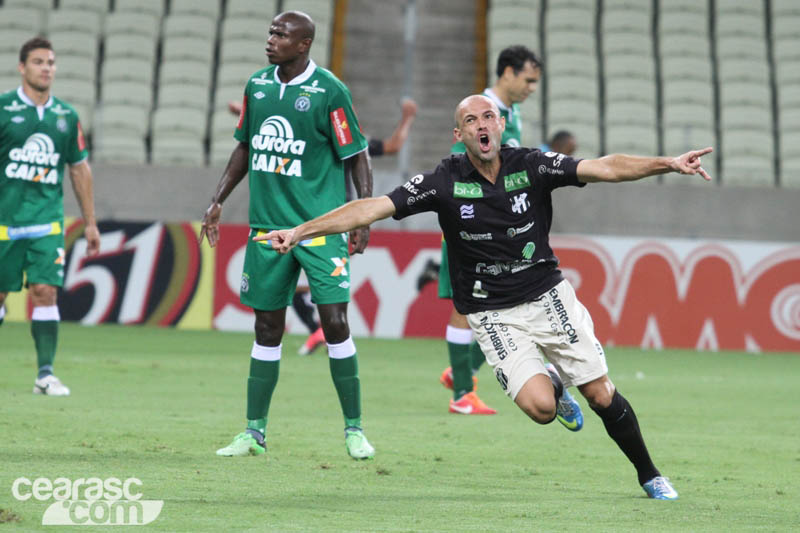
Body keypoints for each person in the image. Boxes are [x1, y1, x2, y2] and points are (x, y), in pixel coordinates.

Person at [260, 94, 714, 499]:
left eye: (489, 117)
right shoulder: (442, 182)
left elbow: (605, 166)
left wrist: (668, 163)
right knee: (540, 409)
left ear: (500, 126)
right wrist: (301, 231)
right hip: (489, 311)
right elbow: (372, 207)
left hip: (546, 296)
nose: (482, 124)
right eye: (471, 120)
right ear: (459, 134)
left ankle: (649, 474)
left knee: (600, 393)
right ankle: (555, 386)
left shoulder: (532, 164)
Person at [199, 11, 375, 460]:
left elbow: (357, 154)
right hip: (266, 229)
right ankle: (253, 433)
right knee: (266, 327)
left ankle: (354, 429)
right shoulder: (257, 85)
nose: (271, 39)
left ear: (304, 44)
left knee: (334, 323)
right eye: (271, 31)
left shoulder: (329, 91)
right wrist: (218, 199)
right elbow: (245, 146)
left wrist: (362, 216)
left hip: (318, 229)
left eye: (281, 34)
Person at [228, 96, 417, 356]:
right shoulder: (319, 137)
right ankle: (321, 331)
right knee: (301, 286)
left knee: (311, 286)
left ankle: (323, 332)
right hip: (308, 217)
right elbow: (286, 132)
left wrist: (407, 119)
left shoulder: (354, 143)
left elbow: (394, 146)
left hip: (338, 219)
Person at [439, 45, 543, 416]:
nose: (531, 88)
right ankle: (462, 392)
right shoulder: (480, 111)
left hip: (500, 230)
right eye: (528, 80)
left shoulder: (509, 115)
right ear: (508, 73)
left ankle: (461, 372)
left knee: (501, 305)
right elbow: (460, 163)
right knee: (466, 307)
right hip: (473, 226)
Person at [0, 37, 100, 396]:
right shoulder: (3, 108)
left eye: (51, 62)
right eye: (39, 61)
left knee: (45, 291)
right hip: (4, 225)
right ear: (22, 67)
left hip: (46, 224)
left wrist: (89, 222)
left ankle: (45, 374)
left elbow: (79, 169)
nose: (46, 68)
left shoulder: (65, 116)